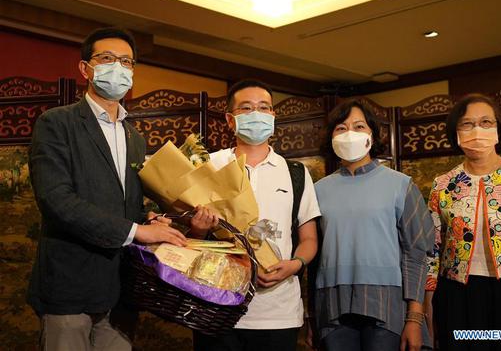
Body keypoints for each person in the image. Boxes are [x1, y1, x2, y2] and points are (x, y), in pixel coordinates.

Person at [28, 27, 217, 351]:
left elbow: (128, 205)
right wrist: (137, 231)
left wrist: (152, 220)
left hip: (121, 288)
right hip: (70, 284)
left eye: (126, 61)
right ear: (85, 68)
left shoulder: (134, 137)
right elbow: (56, 200)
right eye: (107, 58)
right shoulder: (56, 122)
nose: (118, 67)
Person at [192, 79, 321, 351]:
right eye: (246, 108)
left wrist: (295, 264)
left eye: (264, 108)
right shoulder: (209, 166)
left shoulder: (296, 173)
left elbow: (308, 238)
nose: (256, 115)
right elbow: (190, 239)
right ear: (230, 119)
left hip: (277, 312)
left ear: (273, 116)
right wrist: (199, 228)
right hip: (216, 306)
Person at [424, 93, 501, 351]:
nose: (477, 130)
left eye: (485, 122)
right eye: (467, 124)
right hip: (459, 296)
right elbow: (431, 252)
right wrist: (427, 309)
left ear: (498, 129)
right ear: (456, 133)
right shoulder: (443, 184)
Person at [311, 100, 434, 351]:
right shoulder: (317, 190)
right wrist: (312, 316)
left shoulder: (401, 185)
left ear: (372, 135)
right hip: (333, 303)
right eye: (341, 128)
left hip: (388, 303)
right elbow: (313, 254)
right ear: (331, 137)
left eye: (359, 126)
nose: (349, 134)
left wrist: (414, 316)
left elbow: (416, 254)